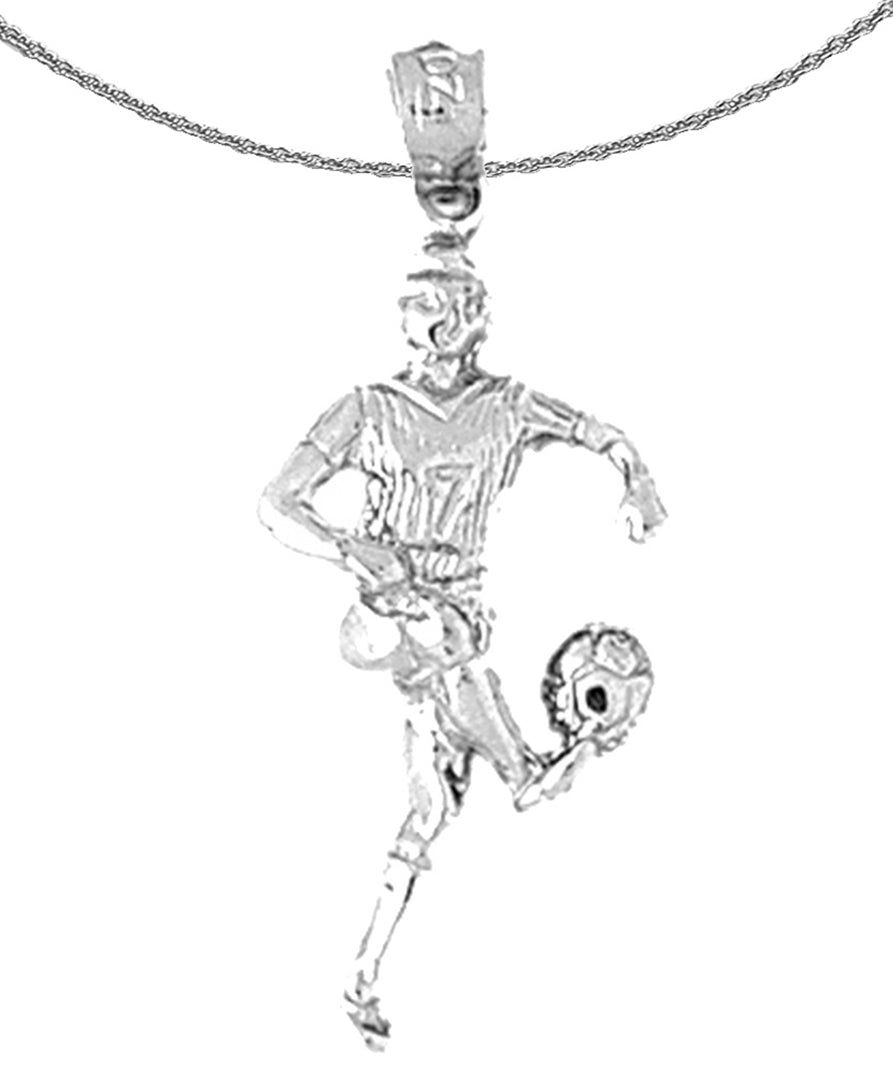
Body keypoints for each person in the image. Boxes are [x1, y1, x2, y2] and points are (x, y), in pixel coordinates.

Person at [259, 244, 666, 1048]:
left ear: (468, 321)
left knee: (432, 807)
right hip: (393, 617)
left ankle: (361, 974)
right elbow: (276, 502)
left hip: (453, 629)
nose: (418, 318)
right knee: (446, 656)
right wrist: (348, 549)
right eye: (412, 303)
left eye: (434, 305)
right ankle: (546, 751)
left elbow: (601, 433)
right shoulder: (367, 408)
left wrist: (637, 480)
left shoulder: (507, 407)